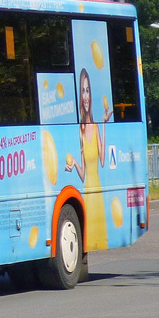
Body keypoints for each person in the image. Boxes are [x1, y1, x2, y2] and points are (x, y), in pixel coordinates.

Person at [65, 67, 112, 251]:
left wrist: (104, 124)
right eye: (82, 91)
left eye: (88, 90)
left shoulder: (95, 126)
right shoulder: (81, 130)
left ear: (91, 95)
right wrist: (75, 163)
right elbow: (83, 175)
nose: (85, 95)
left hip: (98, 190)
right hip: (87, 190)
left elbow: (102, 159)